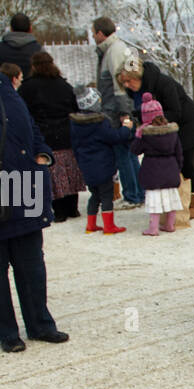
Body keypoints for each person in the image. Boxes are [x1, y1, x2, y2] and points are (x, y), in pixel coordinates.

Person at [0, 66, 68, 351]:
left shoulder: (7, 88)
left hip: (23, 183)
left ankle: (40, 324)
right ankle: (7, 333)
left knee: (32, 265)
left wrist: (43, 154)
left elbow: (30, 126)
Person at [116, 53, 194, 219]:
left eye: (129, 81)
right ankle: (179, 203)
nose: (127, 85)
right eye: (124, 83)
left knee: (185, 163)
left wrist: (146, 119)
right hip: (168, 129)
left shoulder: (163, 84)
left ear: (138, 76)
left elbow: (175, 112)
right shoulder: (139, 91)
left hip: (186, 125)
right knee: (175, 166)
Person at [19, 52, 85, 221]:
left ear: (34, 66)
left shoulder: (28, 87)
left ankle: (60, 210)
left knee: (54, 172)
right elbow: (74, 107)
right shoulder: (63, 85)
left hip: (45, 133)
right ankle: (73, 207)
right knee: (69, 169)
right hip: (66, 132)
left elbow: (23, 112)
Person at [92, 17, 144, 210]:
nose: (92, 35)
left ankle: (133, 194)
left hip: (116, 111)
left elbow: (119, 85)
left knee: (124, 153)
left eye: (93, 32)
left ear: (100, 32)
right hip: (118, 109)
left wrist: (123, 112)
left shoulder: (113, 51)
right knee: (128, 153)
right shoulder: (118, 48)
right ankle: (137, 192)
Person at [69, 88, 128, 234]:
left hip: (87, 167)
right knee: (106, 195)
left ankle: (91, 225)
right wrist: (126, 128)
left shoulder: (75, 125)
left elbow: (75, 147)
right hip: (103, 166)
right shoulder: (100, 123)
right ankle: (109, 226)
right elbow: (114, 137)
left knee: (95, 195)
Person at [131, 94, 183, 236]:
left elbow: (135, 150)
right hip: (171, 169)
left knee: (154, 201)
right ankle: (170, 225)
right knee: (171, 199)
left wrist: (137, 135)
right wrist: (177, 168)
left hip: (152, 172)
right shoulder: (172, 132)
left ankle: (153, 228)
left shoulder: (145, 134)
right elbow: (179, 152)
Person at [0, 14, 42, 80]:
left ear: (11, 28)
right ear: (30, 29)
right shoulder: (39, 50)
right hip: (32, 89)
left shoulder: (1, 48)